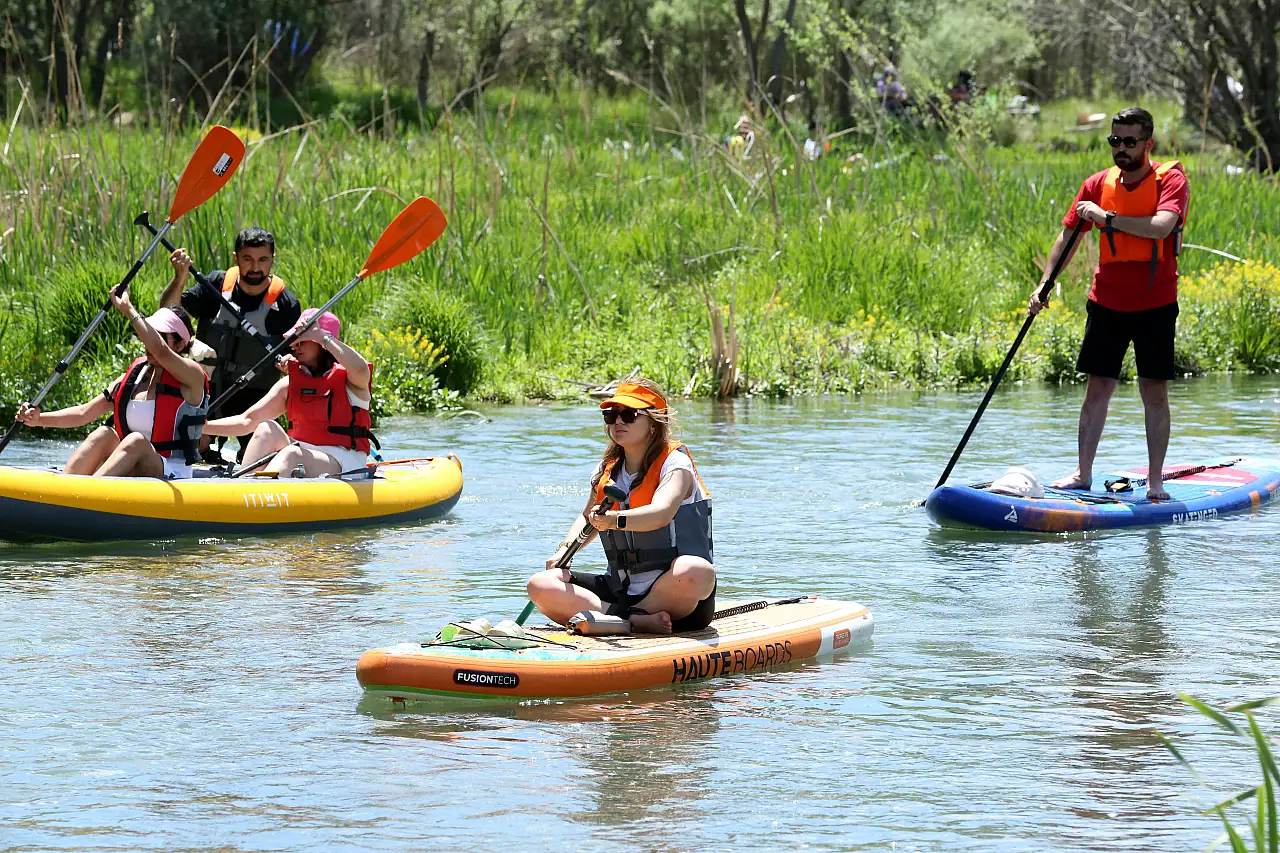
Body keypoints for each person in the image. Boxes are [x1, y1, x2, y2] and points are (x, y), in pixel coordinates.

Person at [1029, 106, 1190, 500]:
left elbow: (1160, 227)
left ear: (1148, 143)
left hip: (1155, 303)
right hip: (1107, 302)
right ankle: (1083, 473)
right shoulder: (1097, 184)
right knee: (1097, 386)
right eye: (1115, 140)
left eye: (1130, 141)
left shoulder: (1171, 180)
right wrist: (1044, 284)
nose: (1121, 148)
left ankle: (1155, 484)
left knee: (1153, 389)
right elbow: (1067, 239)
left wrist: (1108, 219)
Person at [526, 379, 717, 635]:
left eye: (628, 415)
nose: (618, 422)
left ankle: (621, 617)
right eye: (611, 415)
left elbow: (661, 514)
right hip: (619, 589)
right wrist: (564, 550)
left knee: (696, 570)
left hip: (676, 595)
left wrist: (614, 520)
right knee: (540, 583)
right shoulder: (607, 469)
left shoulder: (676, 465)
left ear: (653, 422)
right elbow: (587, 518)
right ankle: (632, 621)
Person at [14, 292, 209, 479]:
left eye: (159, 336)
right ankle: (66, 491)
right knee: (104, 434)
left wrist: (128, 309)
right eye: (150, 334)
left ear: (179, 345)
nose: (149, 343)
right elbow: (84, 413)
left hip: (173, 473)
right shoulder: (135, 377)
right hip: (136, 468)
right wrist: (37, 419)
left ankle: (87, 497)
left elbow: (161, 352)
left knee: (136, 441)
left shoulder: (192, 377)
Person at [160, 227, 302, 461]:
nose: (255, 267)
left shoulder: (286, 305)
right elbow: (168, 314)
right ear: (236, 258)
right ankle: (202, 452)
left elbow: (299, 357)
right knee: (186, 451)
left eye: (263, 260)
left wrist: (291, 365)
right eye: (248, 259)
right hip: (207, 391)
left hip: (257, 398)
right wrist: (180, 277)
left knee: (256, 459)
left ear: (272, 261)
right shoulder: (215, 284)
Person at [201, 309, 376, 478]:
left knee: (292, 454)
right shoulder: (290, 384)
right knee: (266, 429)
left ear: (322, 344)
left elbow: (361, 368)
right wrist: (201, 426)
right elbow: (246, 421)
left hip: (344, 460)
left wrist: (321, 336)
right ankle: (243, 489)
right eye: (294, 340)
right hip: (302, 450)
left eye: (303, 340)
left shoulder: (351, 381)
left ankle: (255, 491)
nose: (294, 346)